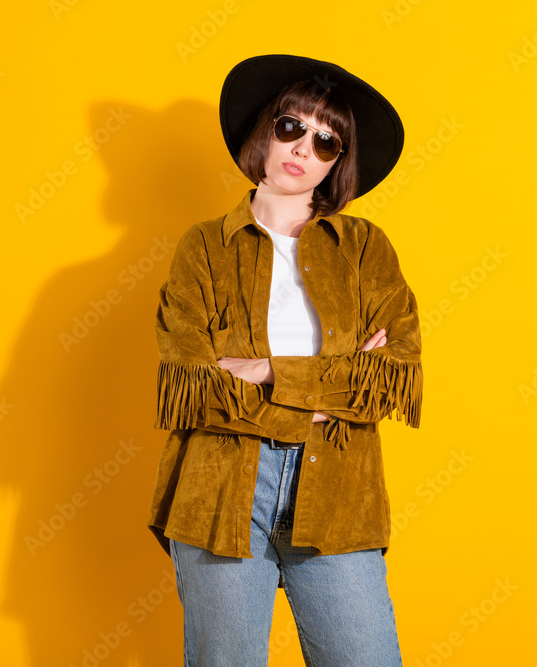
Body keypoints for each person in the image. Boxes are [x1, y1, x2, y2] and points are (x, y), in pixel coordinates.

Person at [146, 54, 423, 666]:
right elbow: (192, 388)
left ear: (336, 164)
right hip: (220, 490)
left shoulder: (364, 249)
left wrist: (267, 370)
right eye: (291, 126)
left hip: (339, 492)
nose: (304, 147)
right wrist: (331, 390)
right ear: (264, 131)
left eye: (327, 141)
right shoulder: (203, 248)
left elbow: (391, 378)